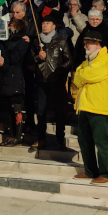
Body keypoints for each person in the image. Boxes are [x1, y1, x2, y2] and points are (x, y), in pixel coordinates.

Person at [72, 30, 108, 183]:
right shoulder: (87, 61)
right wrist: (81, 75)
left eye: (88, 44)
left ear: (97, 44)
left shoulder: (105, 60)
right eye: (84, 44)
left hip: (98, 106)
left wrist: (81, 75)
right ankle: (90, 170)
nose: (85, 46)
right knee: (84, 140)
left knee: (100, 141)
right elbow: (77, 77)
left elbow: (85, 75)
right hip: (84, 105)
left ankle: (106, 173)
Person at [31, 12, 73, 150]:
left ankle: (60, 139)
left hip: (56, 81)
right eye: (43, 23)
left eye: (48, 23)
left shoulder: (61, 41)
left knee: (59, 111)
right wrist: (38, 57)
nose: (44, 25)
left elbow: (69, 60)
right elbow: (29, 60)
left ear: (54, 26)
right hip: (41, 81)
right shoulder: (37, 41)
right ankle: (41, 138)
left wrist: (60, 71)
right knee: (41, 111)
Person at [0, 18, 30, 147]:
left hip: (15, 77)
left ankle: (18, 135)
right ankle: (12, 134)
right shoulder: (7, 41)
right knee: (8, 109)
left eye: (11, 25)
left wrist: (4, 48)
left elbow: (15, 58)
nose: (9, 28)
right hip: (6, 78)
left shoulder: (22, 41)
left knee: (16, 107)